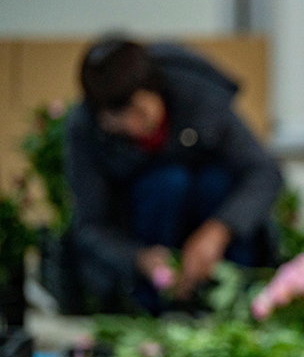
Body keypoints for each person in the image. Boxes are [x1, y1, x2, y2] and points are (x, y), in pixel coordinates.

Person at [65, 37, 283, 313]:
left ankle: (234, 300)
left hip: (216, 228)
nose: (133, 128)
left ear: (156, 89)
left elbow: (264, 172)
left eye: (140, 113)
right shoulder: (86, 130)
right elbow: (90, 226)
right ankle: (160, 306)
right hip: (147, 234)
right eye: (118, 124)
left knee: (215, 181)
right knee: (167, 182)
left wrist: (218, 231)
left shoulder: (198, 95)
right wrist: (139, 259)